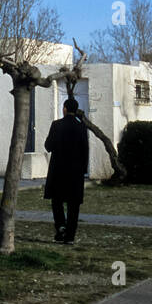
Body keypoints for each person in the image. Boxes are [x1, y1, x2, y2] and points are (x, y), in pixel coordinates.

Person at [44, 96, 89, 245]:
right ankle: (70, 235)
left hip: (58, 170)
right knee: (73, 204)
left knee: (56, 201)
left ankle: (60, 227)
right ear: (75, 110)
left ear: (64, 109)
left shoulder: (56, 125)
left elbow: (48, 146)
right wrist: (83, 169)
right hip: (75, 172)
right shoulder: (81, 127)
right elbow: (85, 150)